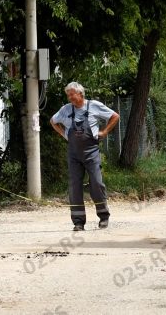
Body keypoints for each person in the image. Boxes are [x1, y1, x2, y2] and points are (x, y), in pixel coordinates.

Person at [50, 82, 120, 231]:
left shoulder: (94, 105)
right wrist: (64, 134)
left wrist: (104, 132)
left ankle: (103, 217)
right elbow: (53, 121)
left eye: (72, 94)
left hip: (91, 152)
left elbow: (114, 116)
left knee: (97, 183)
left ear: (80, 94)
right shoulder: (65, 109)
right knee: (75, 186)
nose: (70, 98)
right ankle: (78, 222)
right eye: (68, 95)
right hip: (73, 154)